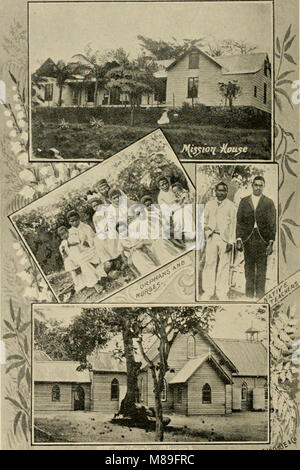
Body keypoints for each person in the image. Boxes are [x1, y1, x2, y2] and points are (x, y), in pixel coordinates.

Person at [236, 175, 276, 299]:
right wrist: (238, 239)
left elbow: (272, 223)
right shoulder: (244, 201)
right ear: (252, 185)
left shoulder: (268, 202)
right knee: (248, 268)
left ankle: (260, 296)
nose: (258, 188)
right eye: (256, 185)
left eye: (260, 185)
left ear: (264, 187)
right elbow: (239, 221)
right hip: (248, 238)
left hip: (262, 239)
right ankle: (248, 295)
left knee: (261, 268)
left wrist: (270, 242)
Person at [202, 182, 237, 300]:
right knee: (209, 263)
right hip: (212, 236)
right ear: (215, 192)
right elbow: (204, 220)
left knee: (224, 265)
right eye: (219, 190)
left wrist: (230, 242)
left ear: (227, 192)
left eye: (223, 191)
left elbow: (234, 225)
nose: (221, 193)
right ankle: (208, 291)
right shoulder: (209, 204)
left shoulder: (231, 206)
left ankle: (222, 292)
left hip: (224, 239)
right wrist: (207, 230)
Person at [67, 210, 106, 290]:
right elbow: (70, 245)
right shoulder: (69, 232)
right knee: (84, 264)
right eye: (72, 221)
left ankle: (102, 276)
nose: (74, 222)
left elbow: (93, 239)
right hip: (80, 254)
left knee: (99, 259)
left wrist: (86, 242)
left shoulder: (86, 227)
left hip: (91, 250)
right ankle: (95, 284)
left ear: (79, 218)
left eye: (76, 220)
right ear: (69, 222)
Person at [57, 225, 102, 293]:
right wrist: (64, 253)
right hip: (75, 259)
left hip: (83, 254)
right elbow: (64, 256)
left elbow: (80, 243)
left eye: (65, 233)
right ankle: (79, 285)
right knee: (68, 263)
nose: (64, 236)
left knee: (84, 263)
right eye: (62, 235)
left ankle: (95, 284)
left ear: (67, 231)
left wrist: (71, 244)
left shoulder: (73, 237)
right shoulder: (63, 244)